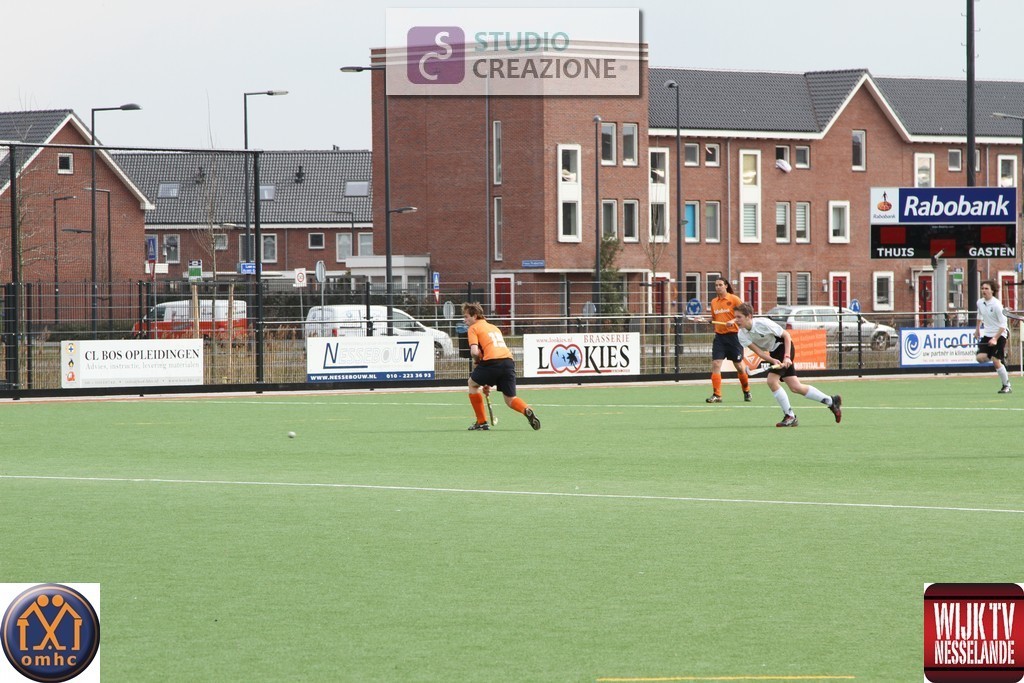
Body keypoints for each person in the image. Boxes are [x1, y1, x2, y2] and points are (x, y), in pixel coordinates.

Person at [732, 303, 842, 427]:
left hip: (784, 346)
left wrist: (787, 356)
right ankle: (832, 401)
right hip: (774, 352)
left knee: (772, 381)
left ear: (749, 316)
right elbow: (759, 352)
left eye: (739, 317)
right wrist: (773, 360)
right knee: (796, 387)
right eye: (735, 317)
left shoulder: (763, 323)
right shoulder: (741, 334)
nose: (736, 320)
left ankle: (790, 416)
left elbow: (786, 336)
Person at [462, 302, 541, 431]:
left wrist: (477, 362)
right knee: (510, 399)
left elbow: (474, 352)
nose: (465, 320)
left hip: (492, 362)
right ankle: (526, 409)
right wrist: (486, 381)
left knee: (472, 384)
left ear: (475, 316)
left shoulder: (473, 328)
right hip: (508, 362)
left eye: (466, 317)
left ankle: (481, 422)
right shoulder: (494, 327)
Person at [705, 278, 752, 403]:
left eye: (720, 285)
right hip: (719, 337)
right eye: (716, 285)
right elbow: (714, 318)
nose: (718, 287)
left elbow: (745, 314)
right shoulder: (714, 302)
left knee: (739, 366)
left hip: (734, 337)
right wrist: (704, 320)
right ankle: (717, 394)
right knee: (716, 364)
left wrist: (734, 320)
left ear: (726, 286)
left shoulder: (734, 299)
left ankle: (746, 390)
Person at [975, 279, 1012, 394]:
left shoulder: (997, 305)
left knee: (996, 361)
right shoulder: (980, 302)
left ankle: (1006, 386)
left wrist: (995, 338)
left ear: (992, 291)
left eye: (986, 288)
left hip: (1000, 334)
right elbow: (979, 315)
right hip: (988, 334)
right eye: (982, 288)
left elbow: (1003, 325)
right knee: (980, 358)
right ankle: (999, 356)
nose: (984, 291)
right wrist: (977, 330)